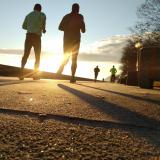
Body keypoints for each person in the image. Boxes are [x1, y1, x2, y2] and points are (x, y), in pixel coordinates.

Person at [57, 3, 86, 83]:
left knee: (66, 56)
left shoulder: (66, 16)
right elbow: (83, 31)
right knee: (74, 59)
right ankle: (72, 77)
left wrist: (67, 28)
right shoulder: (80, 16)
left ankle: (61, 67)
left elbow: (60, 27)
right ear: (78, 9)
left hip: (66, 40)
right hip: (76, 41)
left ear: (72, 8)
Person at [19, 4, 46, 80]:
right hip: (37, 37)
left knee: (26, 54)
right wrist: (43, 30)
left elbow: (24, 26)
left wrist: (31, 27)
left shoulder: (28, 15)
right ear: (40, 9)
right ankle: (35, 75)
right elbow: (43, 25)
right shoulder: (42, 15)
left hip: (28, 36)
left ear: (34, 8)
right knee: (37, 56)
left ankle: (21, 73)